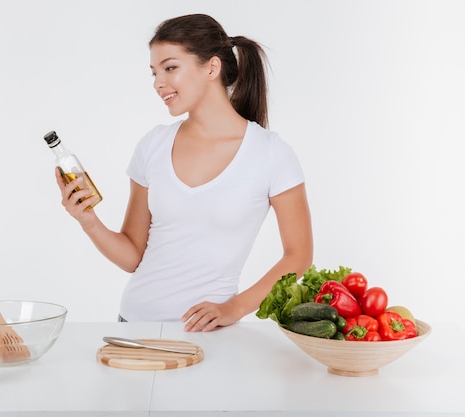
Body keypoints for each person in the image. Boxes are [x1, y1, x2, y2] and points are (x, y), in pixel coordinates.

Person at [55, 14, 313, 332]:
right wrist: (88, 221)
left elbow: (298, 255)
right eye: (154, 72)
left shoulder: (271, 153)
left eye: (170, 67)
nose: (158, 82)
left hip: (209, 334)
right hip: (133, 325)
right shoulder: (153, 146)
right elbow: (134, 255)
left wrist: (235, 308)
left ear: (211, 67)